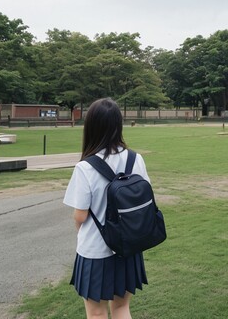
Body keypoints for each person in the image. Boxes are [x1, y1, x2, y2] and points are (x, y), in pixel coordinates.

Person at [64, 98, 150, 319]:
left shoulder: (85, 167)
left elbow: (80, 215)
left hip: (94, 250)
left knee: (96, 314)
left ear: (91, 126)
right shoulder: (135, 159)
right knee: (122, 308)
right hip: (128, 246)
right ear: (118, 125)